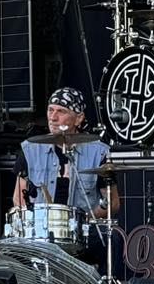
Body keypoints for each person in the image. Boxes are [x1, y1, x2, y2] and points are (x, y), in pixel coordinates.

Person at [12, 87, 120, 266]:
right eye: (50, 110)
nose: (53, 117)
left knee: (112, 239)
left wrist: (82, 220)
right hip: (41, 229)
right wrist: (34, 224)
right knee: (8, 245)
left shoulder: (98, 152)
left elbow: (113, 202)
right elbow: (18, 198)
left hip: (82, 229)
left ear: (79, 118)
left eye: (61, 111)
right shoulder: (30, 150)